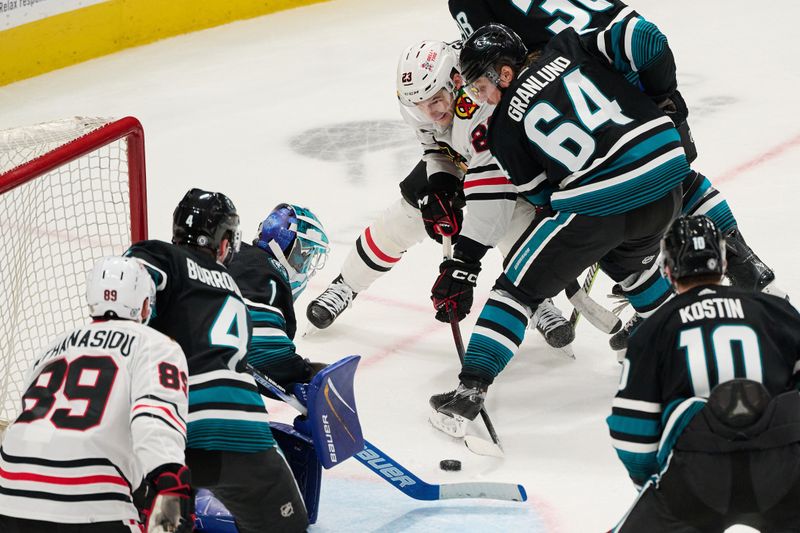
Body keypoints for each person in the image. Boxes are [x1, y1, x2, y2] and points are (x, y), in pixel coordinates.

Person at [446, 0, 785, 345]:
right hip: (622, 52)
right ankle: (746, 263)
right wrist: (661, 91)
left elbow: (501, 65)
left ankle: (658, 313)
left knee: (607, 210)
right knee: (668, 174)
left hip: (573, 80)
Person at [428, 20, 688, 436]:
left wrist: (576, 247)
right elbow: (647, 39)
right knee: (636, 271)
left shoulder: (502, 132)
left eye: (480, 87)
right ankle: (686, 362)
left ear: (505, 73)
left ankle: (469, 391)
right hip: (668, 179)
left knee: (517, 288)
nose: (480, 98)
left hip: (601, 202)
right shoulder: (568, 45)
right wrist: (664, 99)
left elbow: (542, 199)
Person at [307, 39, 575, 349]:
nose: (430, 112)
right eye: (420, 105)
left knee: (515, 226)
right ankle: (346, 285)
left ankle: (536, 299)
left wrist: (462, 267)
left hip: (505, 165)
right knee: (404, 217)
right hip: (464, 157)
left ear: (457, 81)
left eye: (436, 100)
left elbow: (490, 203)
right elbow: (435, 146)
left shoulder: (481, 100)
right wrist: (440, 186)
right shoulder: (419, 102)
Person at [126, 189, 308, 533]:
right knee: (289, 526)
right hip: (242, 435)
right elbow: (263, 357)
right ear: (224, 242)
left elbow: (125, 288)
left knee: (160, 519)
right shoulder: (233, 287)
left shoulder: (160, 255)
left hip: (170, 433)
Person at [608, 215, 800, 532]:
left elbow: (631, 432)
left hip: (696, 474)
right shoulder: (774, 310)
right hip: (783, 468)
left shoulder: (654, 329)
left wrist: (657, 485)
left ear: (668, 271)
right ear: (724, 263)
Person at [0, 256, 191, 533]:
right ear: (145, 304)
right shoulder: (157, 344)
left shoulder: (52, 348)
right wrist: (171, 481)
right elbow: (153, 421)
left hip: (8, 494)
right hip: (88, 503)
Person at [227, 202, 330, 389]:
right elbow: (263, 351)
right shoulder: (270, 278)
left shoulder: (231, 252)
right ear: (295, 249)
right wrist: (304, 374)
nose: (306, 265)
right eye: (307, 256)